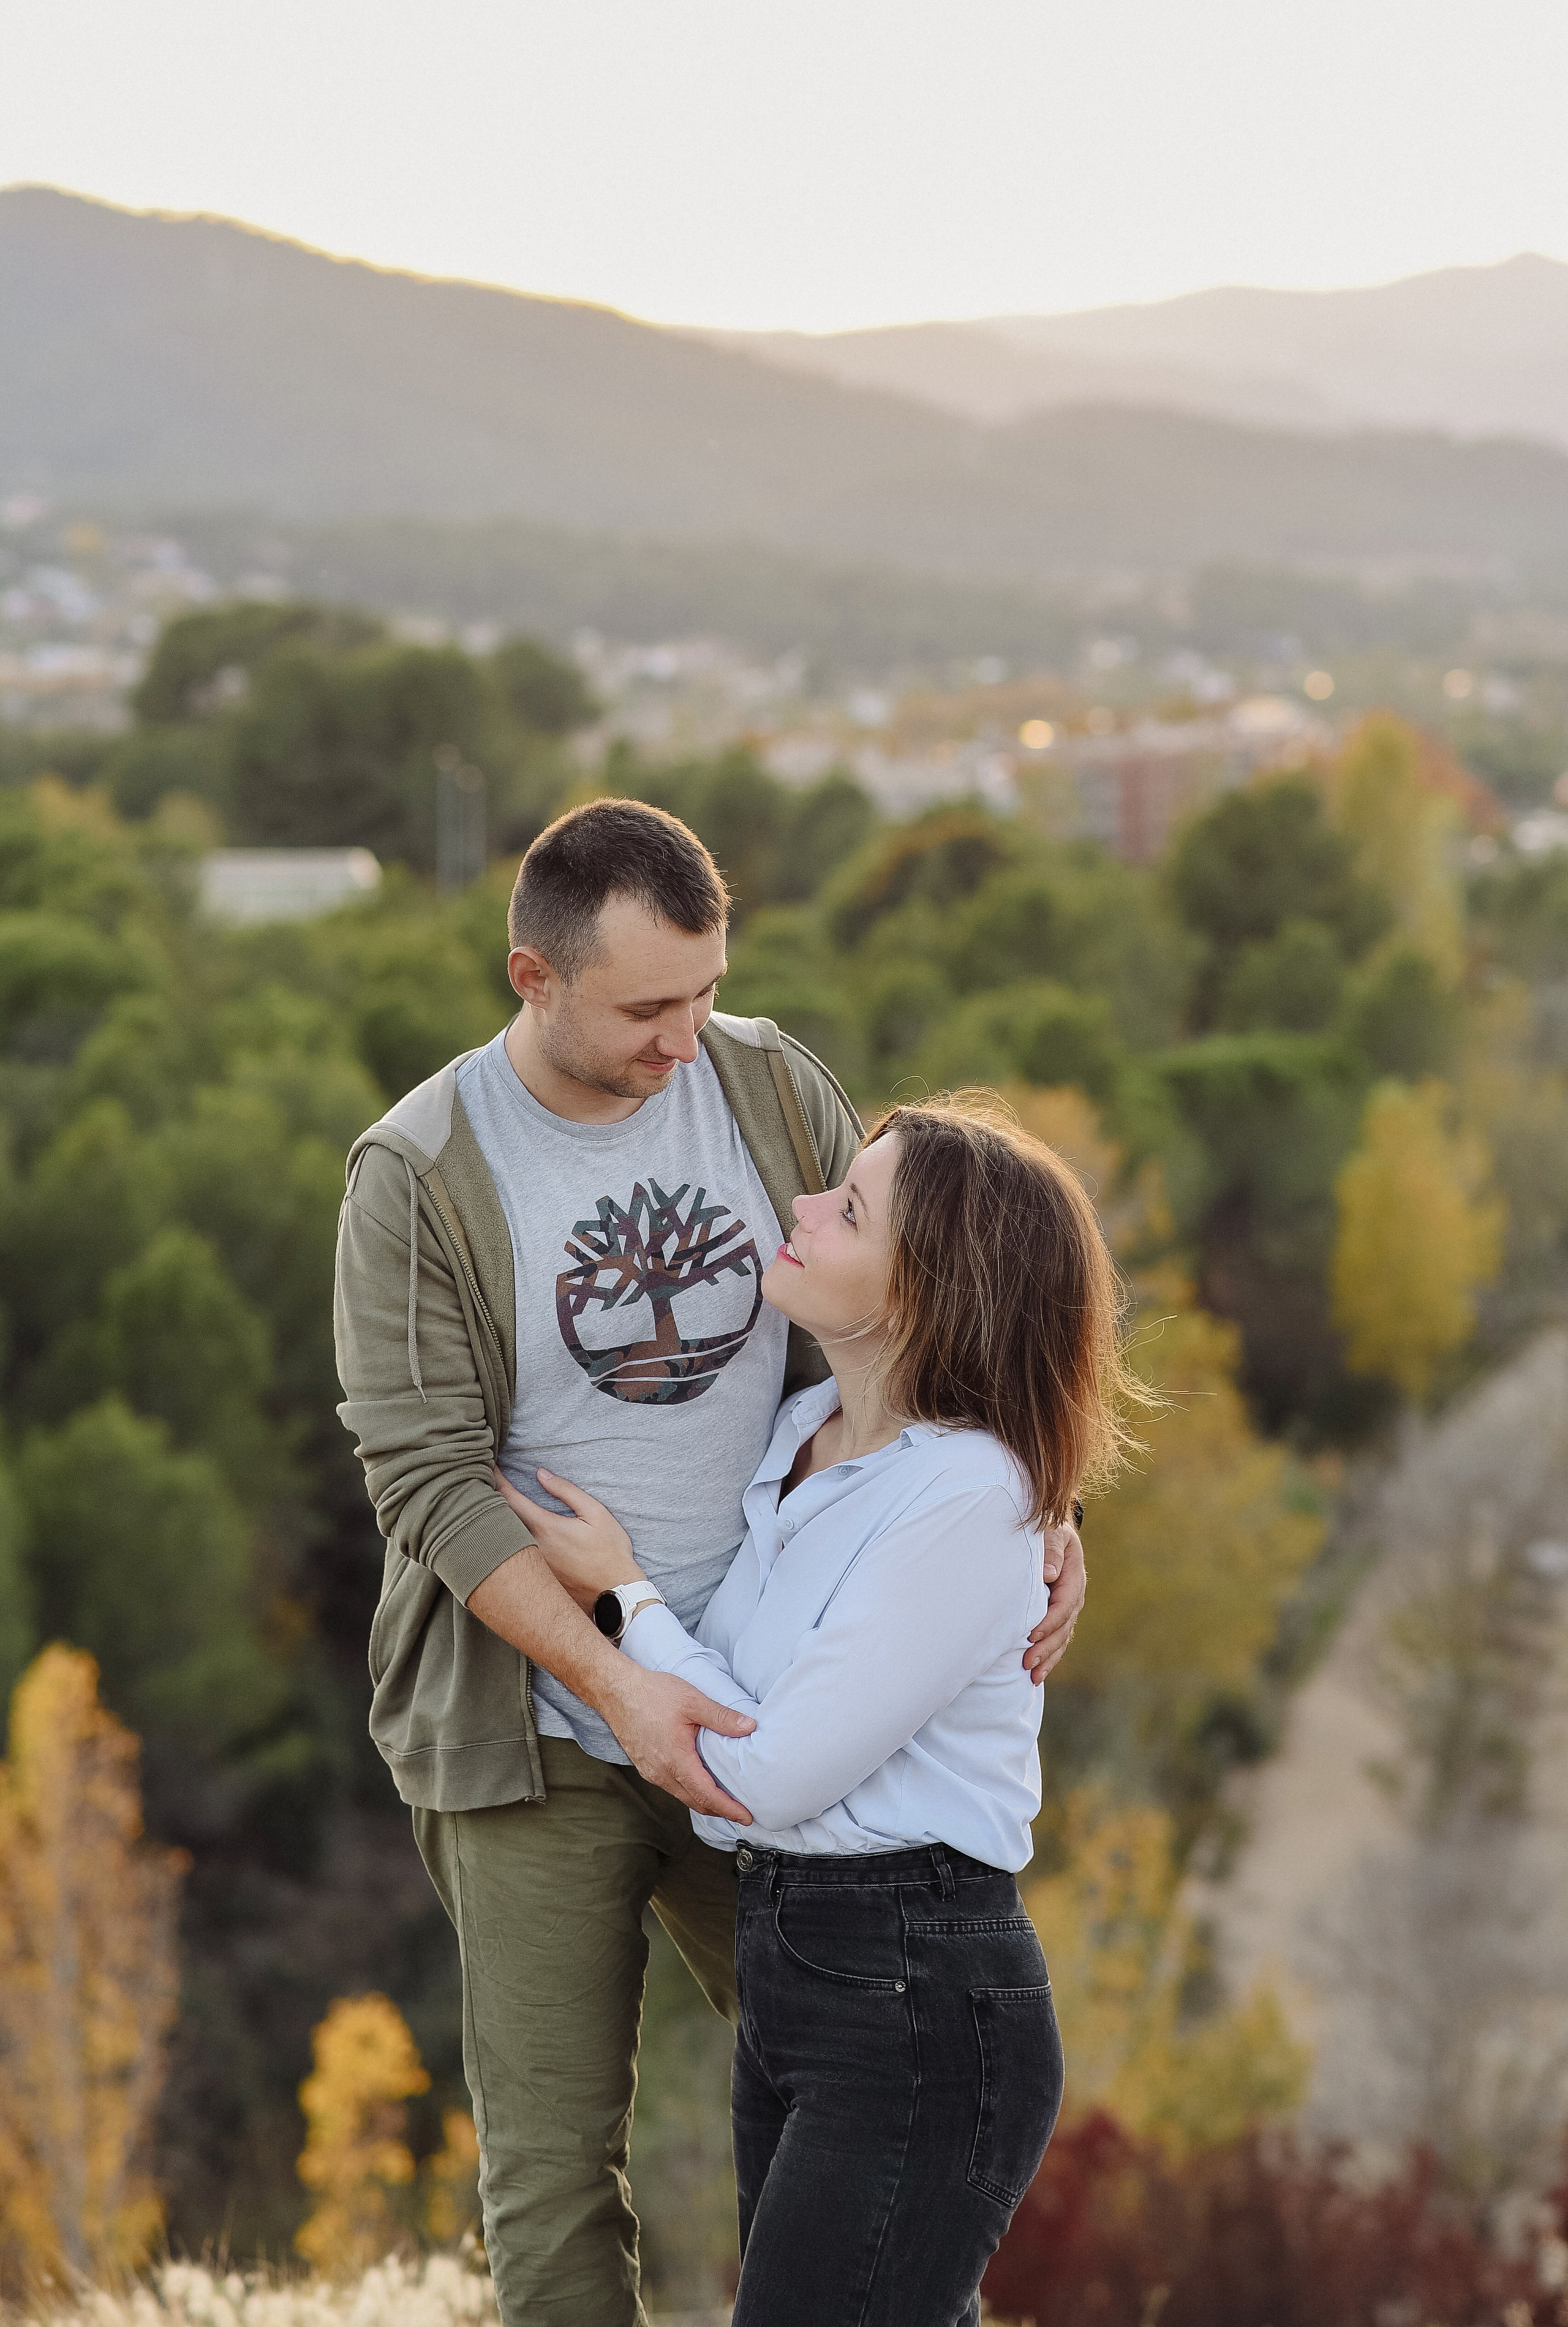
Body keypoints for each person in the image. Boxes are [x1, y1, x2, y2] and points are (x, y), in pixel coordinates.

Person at [333, 798, 1088, 2326]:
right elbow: (423, 1475)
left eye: (706, 989)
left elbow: (916, 1305)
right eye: (645, 1008)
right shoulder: (419, 1170)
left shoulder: (764, 1080)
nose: (689, 1037)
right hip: (537, 1736)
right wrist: (615, 1675)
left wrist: (1046, 1516)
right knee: (550, 2176)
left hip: (766, 1717)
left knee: (887, 2120)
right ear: (529, 980)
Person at [497, 1092, 1140, 2327]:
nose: (796, 1207)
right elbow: (749, 1709)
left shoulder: (964, 1496)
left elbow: (765, 1769)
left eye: (845, 1209)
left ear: (922, 1290)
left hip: (916, 1994)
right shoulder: (803, 1435)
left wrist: (622, 1589)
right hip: (797, 1970)